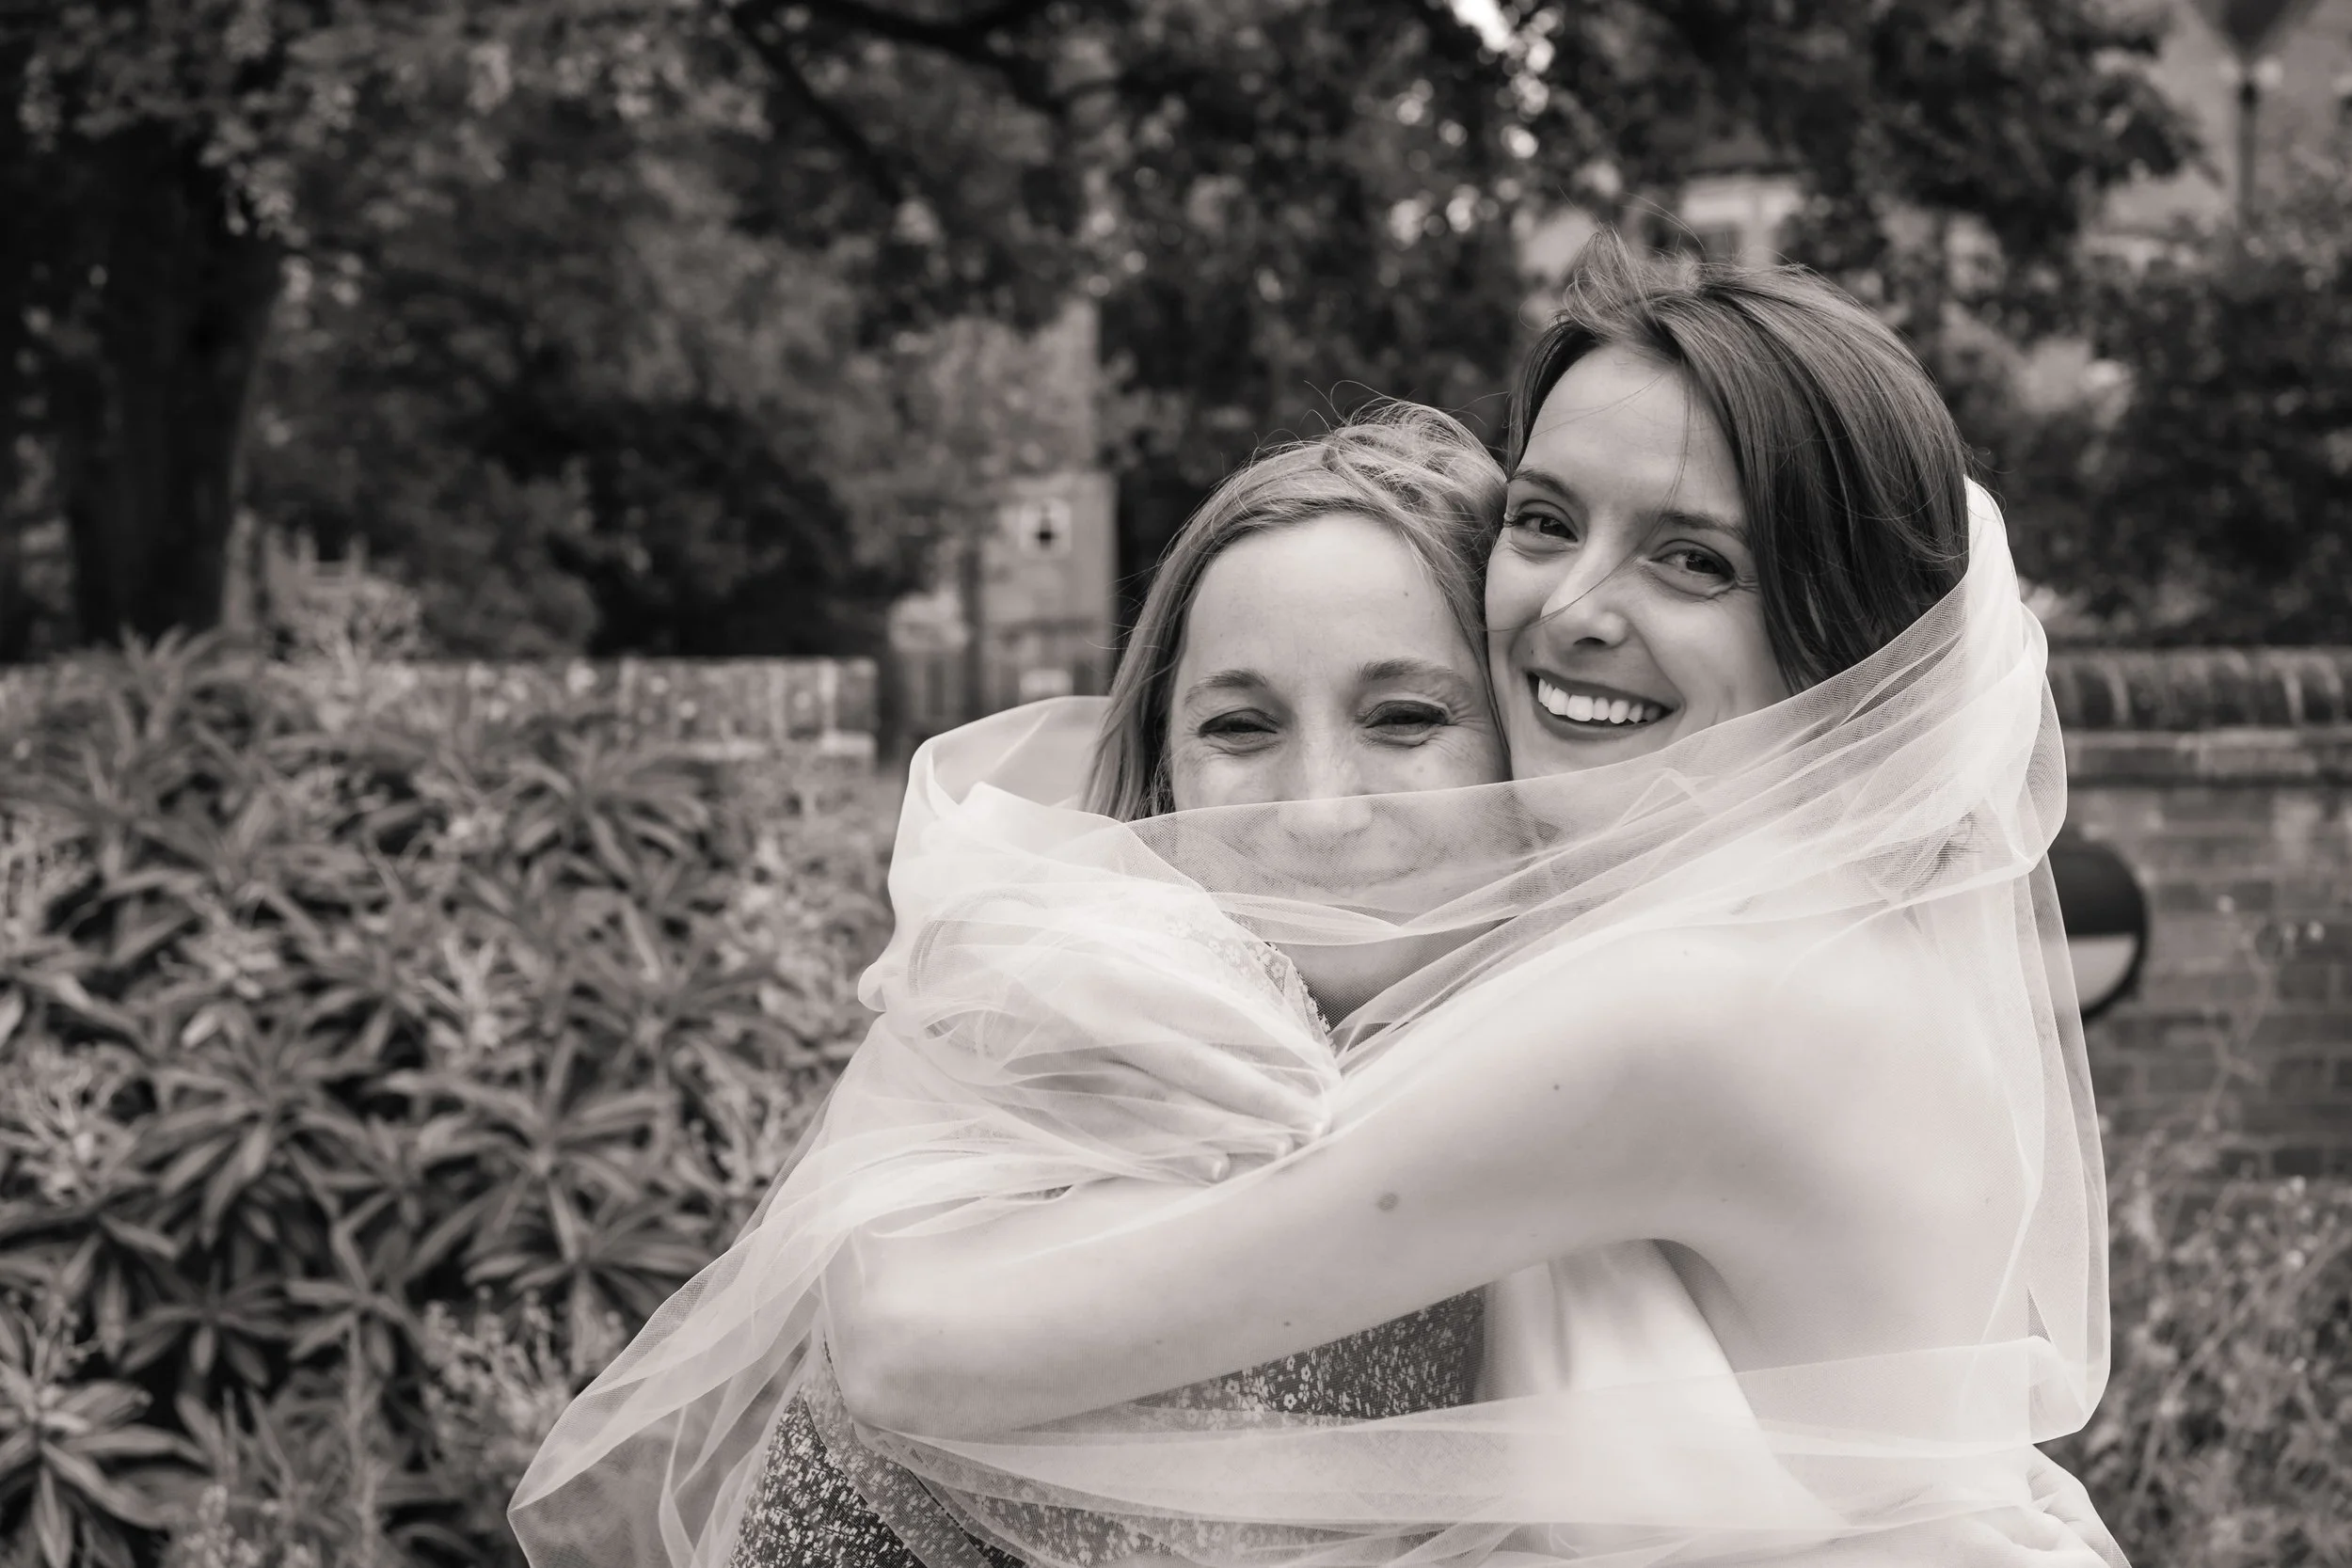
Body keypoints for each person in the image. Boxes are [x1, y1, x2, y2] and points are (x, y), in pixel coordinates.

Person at [513, 236, 2121, 1568]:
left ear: (1851, 632)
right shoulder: (1789, 927)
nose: (1572, 605)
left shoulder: (1709, 1008)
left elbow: (915, 1339)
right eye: (1549, 522)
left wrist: (941, 1013)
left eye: (1694, 561)